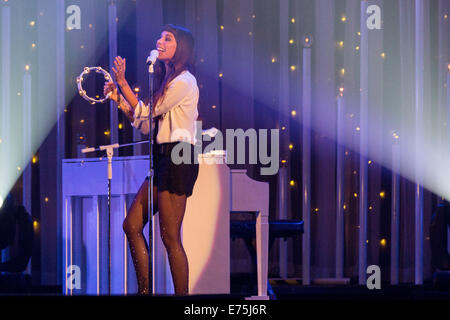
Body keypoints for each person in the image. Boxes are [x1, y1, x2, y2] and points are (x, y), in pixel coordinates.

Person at [103, 24, 199, 295]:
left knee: (170, 238)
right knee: (131, 225)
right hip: (162, 157)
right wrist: (119, 99)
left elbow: (151, 110)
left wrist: (122, 83)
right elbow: (146, 124)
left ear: (181, 48)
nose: (160, 41)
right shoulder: (167, 82)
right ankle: (145, 292)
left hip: (179, 156)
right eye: (160, 36)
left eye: (167, 38)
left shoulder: (184, 81)